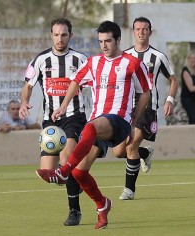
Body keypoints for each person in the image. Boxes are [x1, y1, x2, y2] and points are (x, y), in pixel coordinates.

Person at [36, 21, 152, 229]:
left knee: (88, 131)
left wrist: (134, 122)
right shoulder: (93, 62)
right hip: (97, 124)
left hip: (119, 121)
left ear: (118, 40)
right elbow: (75, 81)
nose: (104, 45)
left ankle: (62, 172)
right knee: (79, 172)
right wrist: (63, 106)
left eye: (108, 41)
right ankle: (102, 204)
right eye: (100, 42)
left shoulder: (132, 63)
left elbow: (145, 92)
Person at [19, 18, 88, 226]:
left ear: (70, 36)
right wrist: (24, 102)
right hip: (51, 120)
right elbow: (28, 86)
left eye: (64, 34)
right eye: (56, 35)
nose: (60, 39)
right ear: (51, 35)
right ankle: (75, 173)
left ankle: (74, 211)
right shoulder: (40, 60)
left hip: (74, 117)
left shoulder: (80, 60)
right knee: (50, 172)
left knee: (67, 159)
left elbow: (94, 86)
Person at [114, 16, 179, 200]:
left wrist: (170, 100)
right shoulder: (124, 56)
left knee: (131, 145)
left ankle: (129, 190)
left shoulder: (158, 57)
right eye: (138, 29)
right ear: (133, 32)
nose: (141, 32)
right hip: (127, 108)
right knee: (118, 151)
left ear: (150, 32)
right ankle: (145, 152)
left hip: (148, 108)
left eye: (145, 29)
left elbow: (173, 80)